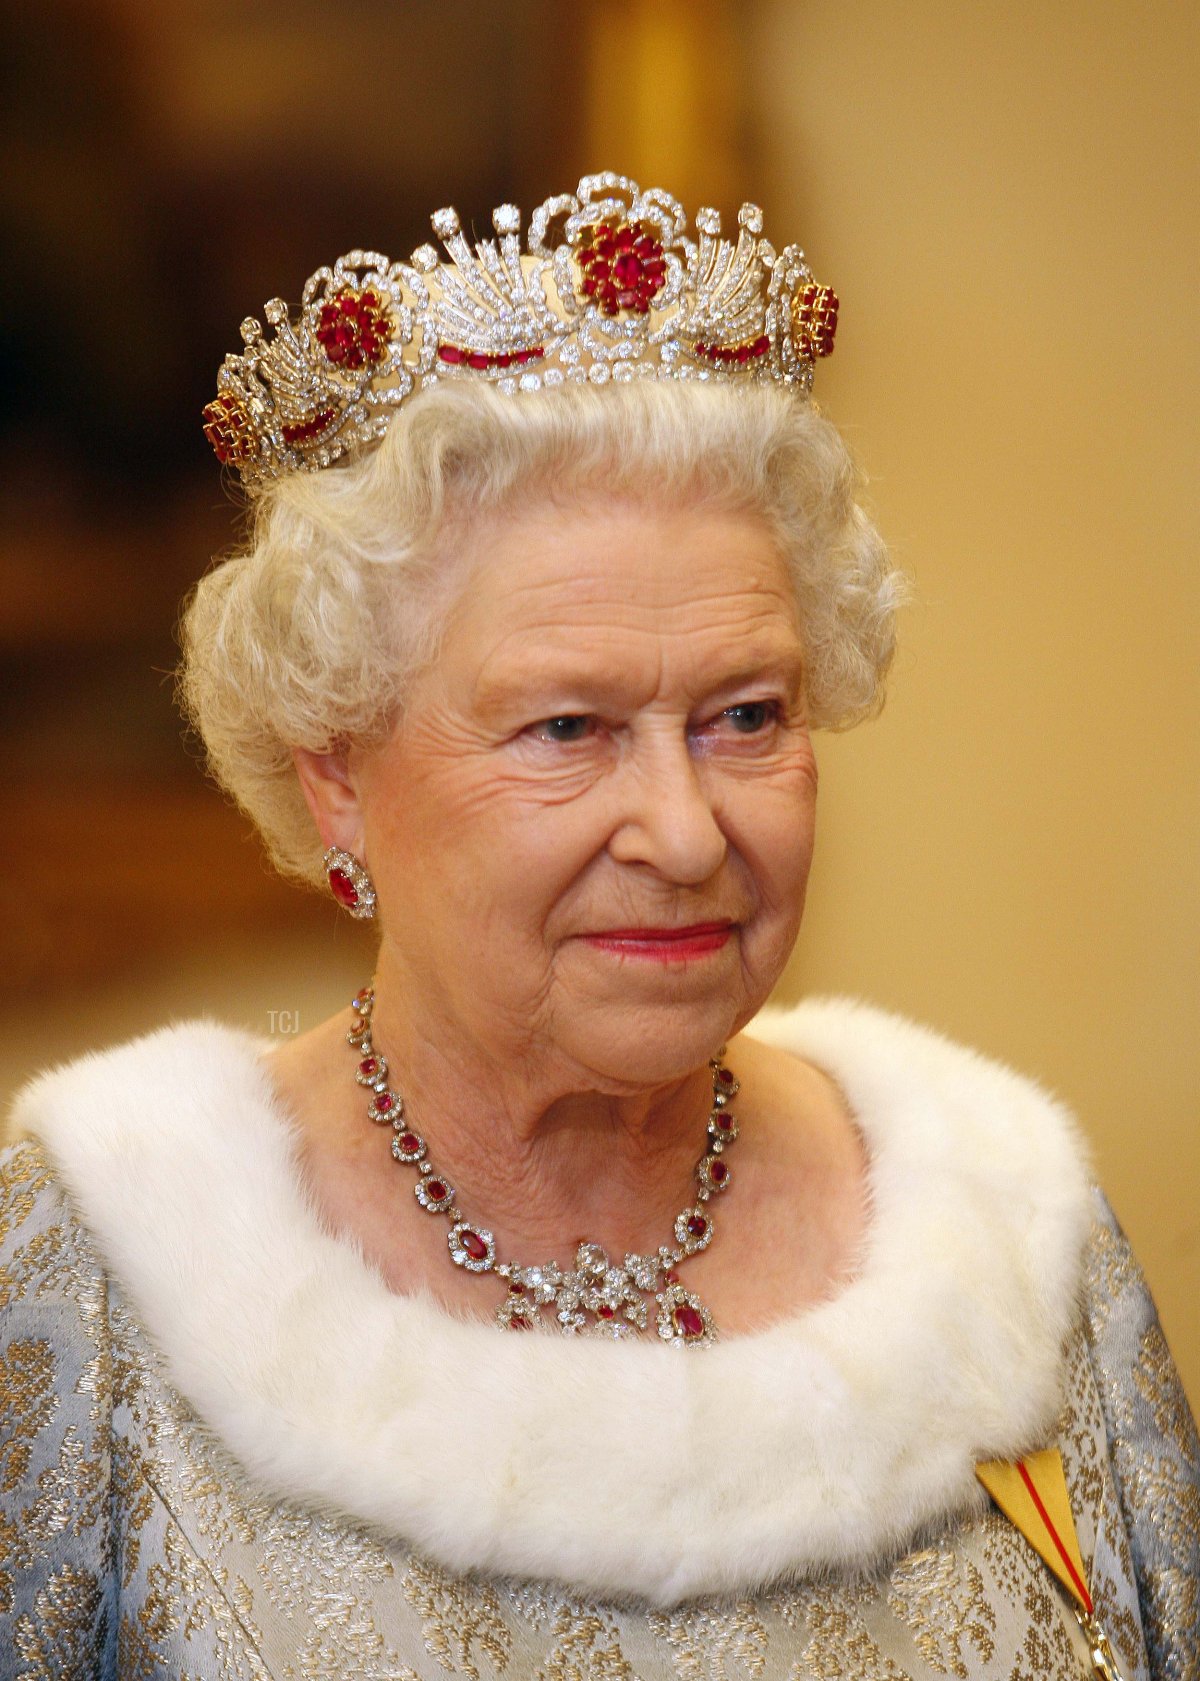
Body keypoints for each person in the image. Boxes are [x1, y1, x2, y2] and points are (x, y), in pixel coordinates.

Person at [2, 172, 1195, 1680]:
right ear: (338, 768)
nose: (689, 833)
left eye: (746, 715)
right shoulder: (101, 1274)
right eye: (567, 728)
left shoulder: (1013, 1245)